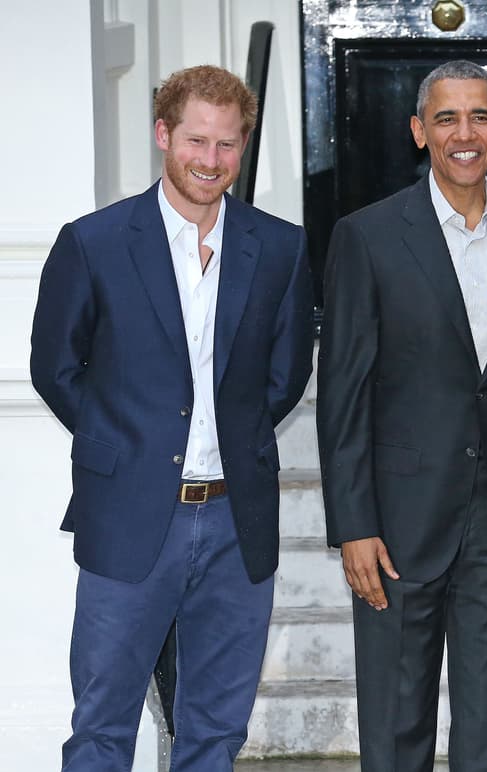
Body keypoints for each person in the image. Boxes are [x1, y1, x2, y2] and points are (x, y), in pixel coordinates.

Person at [29, 65, 314, 770]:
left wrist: (235, 440)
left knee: (215, 732)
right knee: (102, 727)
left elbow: (285, 376)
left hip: (236, 521)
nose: (210, 160)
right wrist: (123, 443)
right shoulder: (94, 242)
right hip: (127, 515)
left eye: (227, 144)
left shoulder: (279, 247)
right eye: (196, 140)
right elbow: (55, 368)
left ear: (242, 147)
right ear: (163, 135)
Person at [317, 60, 487, 771]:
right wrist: (353, 525)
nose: (465, 134)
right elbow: (343, 393)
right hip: (398, 518)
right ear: (419, 131)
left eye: (480, 117)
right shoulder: (367, 235)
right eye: (447, 118)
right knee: (396, 728)